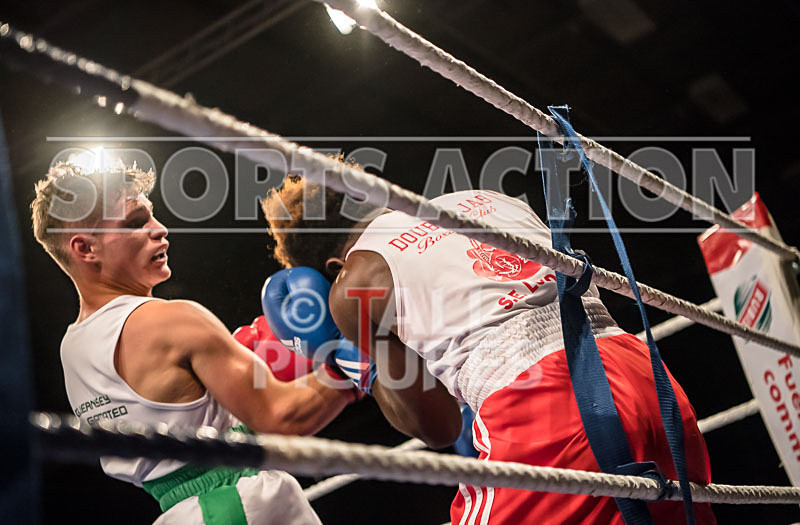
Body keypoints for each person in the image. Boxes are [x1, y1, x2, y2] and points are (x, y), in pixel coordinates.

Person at [261, 175, 716, 524]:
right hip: (644, 374)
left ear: (330, 267)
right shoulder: (486, 199)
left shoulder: (355, 281)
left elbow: (437, 426)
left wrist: (349, 352)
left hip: (544, 409)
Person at [30, 163, 358, 525]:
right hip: (239, 505)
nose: (160, 229)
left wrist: (235, 393)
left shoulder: (72, 349)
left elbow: (175, 427)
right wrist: (354, 359)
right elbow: (280, 418)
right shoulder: (173, 320)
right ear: (85, 248)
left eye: (152, 215)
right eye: (135, 222)